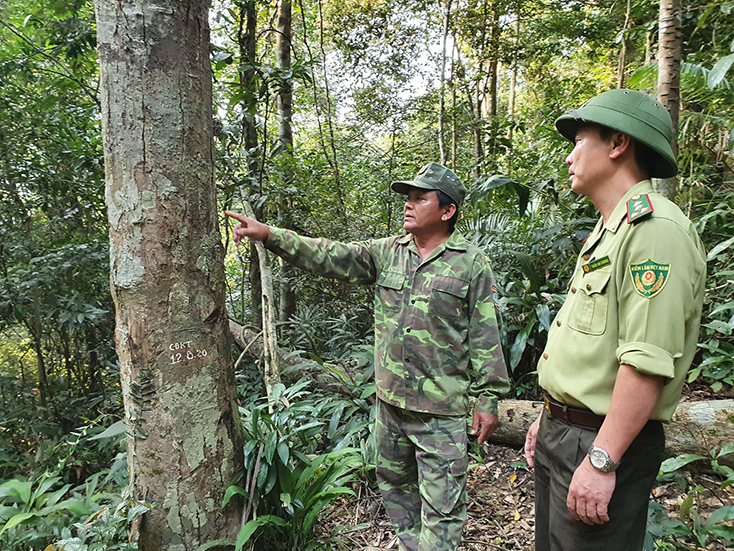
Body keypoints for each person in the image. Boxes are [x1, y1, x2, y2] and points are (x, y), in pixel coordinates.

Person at [226, 162, 510, 551]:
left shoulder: (470, 264)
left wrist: (489, 397)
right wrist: (270, 235)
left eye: (419, 198)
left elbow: (485, 335)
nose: (408, 205)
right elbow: (329, 255)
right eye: (407, 198)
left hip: (440, 414)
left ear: (447, 211)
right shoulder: (387, 253)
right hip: (390, 406)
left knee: (443, 511)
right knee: (395, 489)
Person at [523, 89, 707, 551]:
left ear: (617, 143)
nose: (569, 156)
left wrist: (603, 460)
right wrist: (548, 417)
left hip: (599, 442)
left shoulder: (655, 231)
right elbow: (590, 347)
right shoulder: (609, 231)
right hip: (566, 433)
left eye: (579, 140)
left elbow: (646, 362)